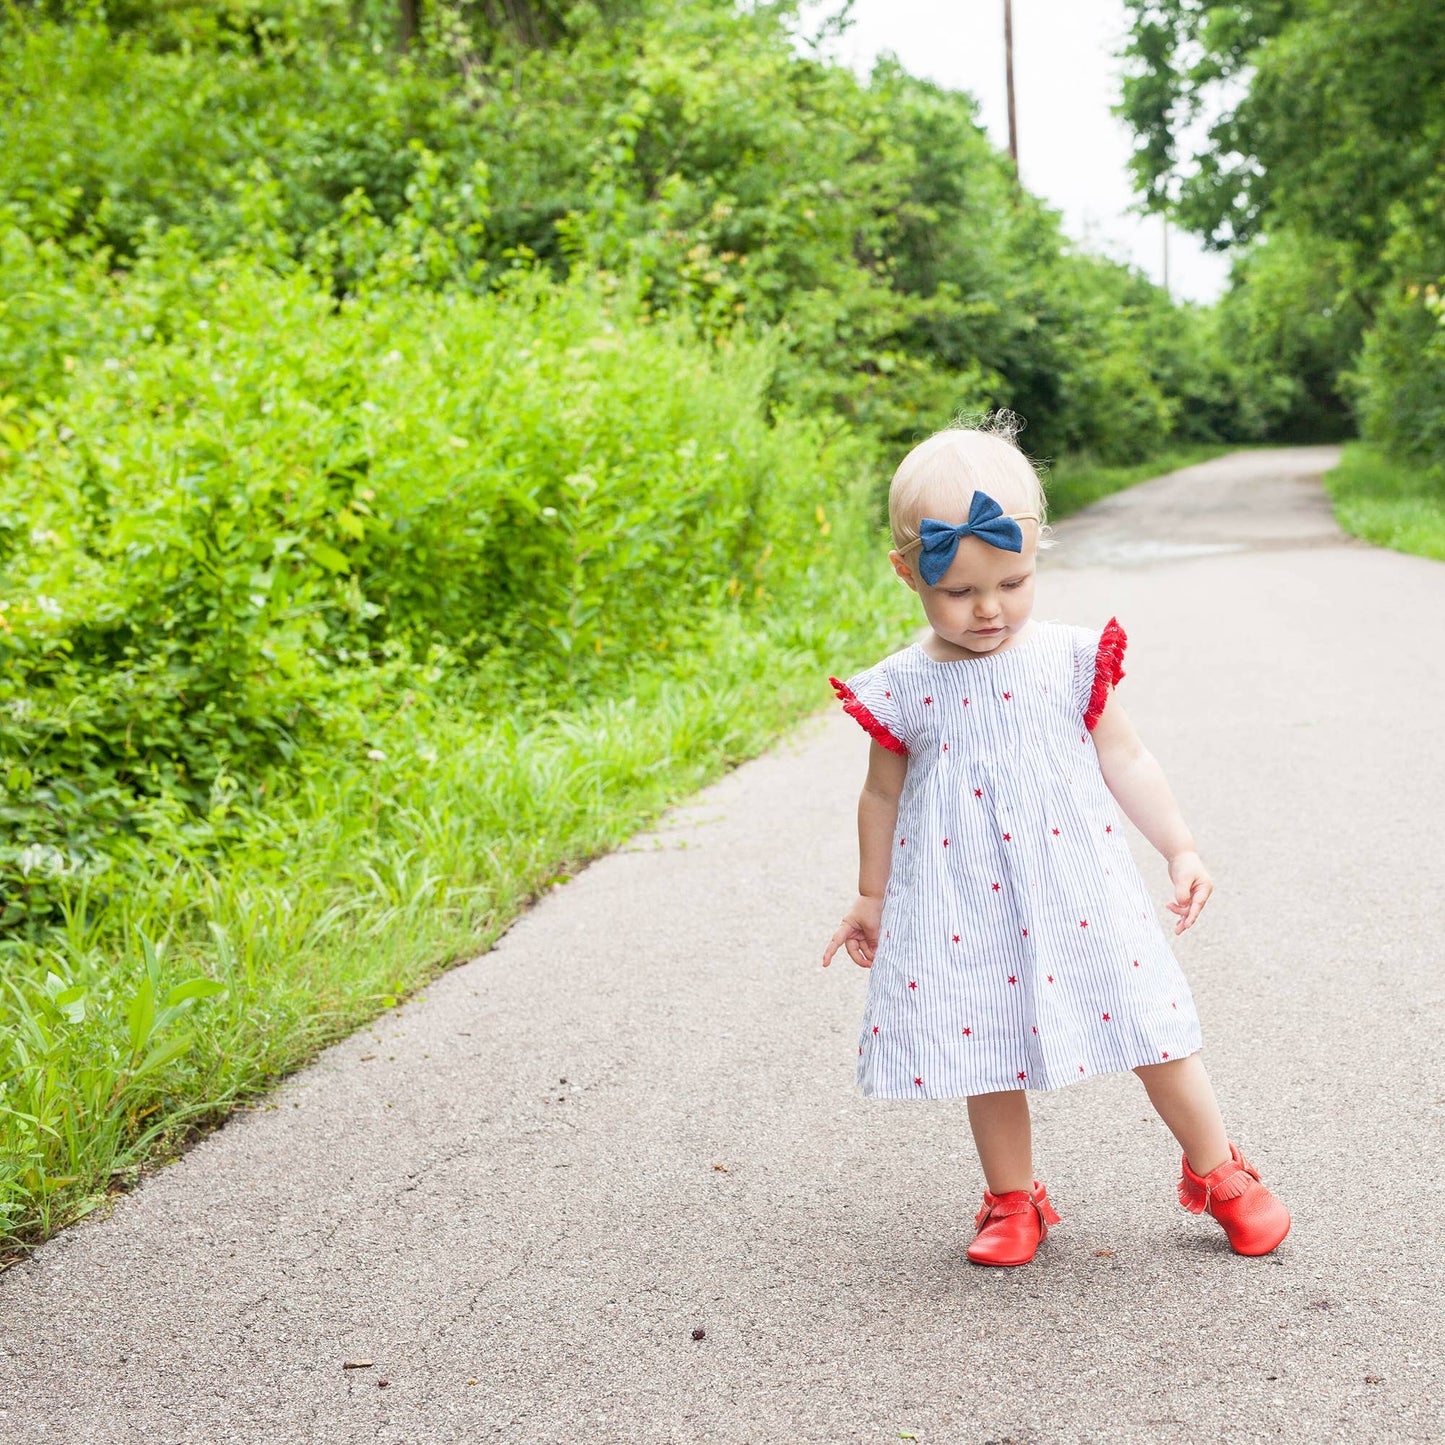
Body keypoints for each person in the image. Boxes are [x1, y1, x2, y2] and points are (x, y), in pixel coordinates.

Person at [821, 414, 1291, 1267]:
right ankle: (1012, 1198)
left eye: (1012, 580)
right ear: (906, 571)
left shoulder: (1069, 660)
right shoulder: (903, 687)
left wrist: (1179, 847)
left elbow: (1127, 757)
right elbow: (880, 794)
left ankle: (1218, 1169)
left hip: (1079, 888)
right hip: (963, 901)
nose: (988, 608)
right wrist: (869, 894)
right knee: (986, 1045)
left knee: (1149, 1023)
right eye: (959, 591)